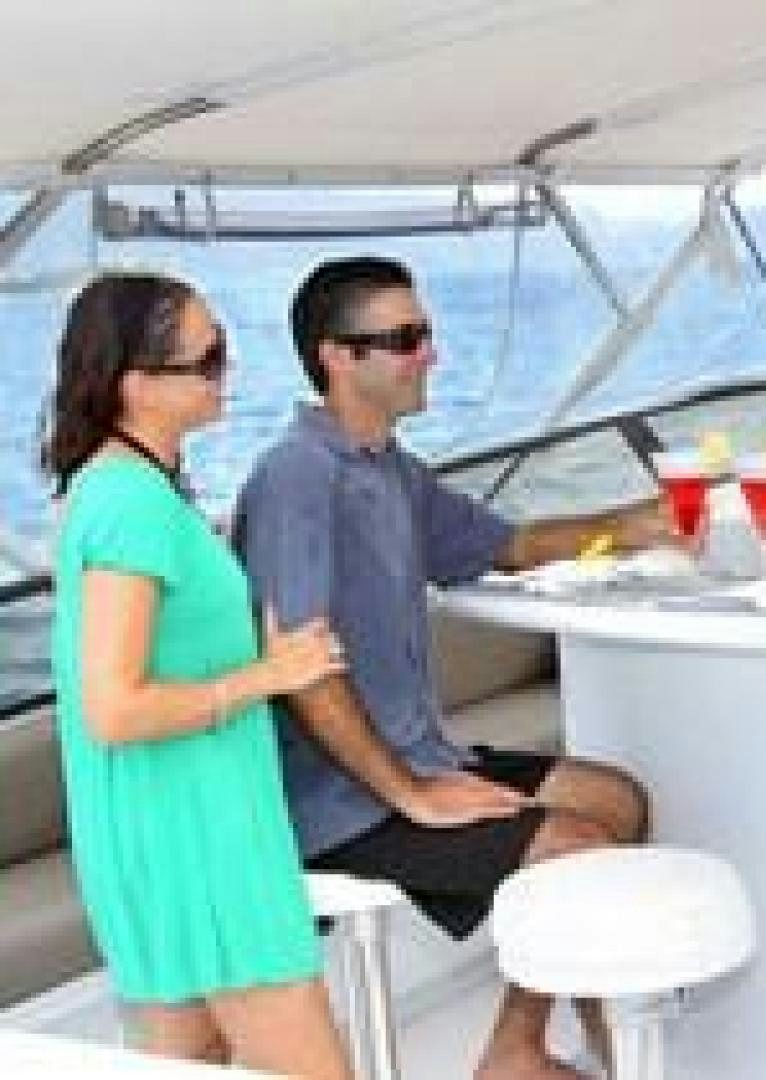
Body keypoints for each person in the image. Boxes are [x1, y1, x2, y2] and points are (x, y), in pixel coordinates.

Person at [233, 256, 666, 1080]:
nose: (430, 354)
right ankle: (528, 1058)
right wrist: (413, 795)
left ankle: (525, 1046)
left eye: (425, 334)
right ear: (337, 356)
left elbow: (504, 544)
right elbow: (301, 673)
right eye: (405, 338)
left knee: (616, 801)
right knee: (578, 846)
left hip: (421, 758)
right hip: (340, 803)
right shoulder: (298, 477)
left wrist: (635, 521)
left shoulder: (389, 468)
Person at [42, 273, 351, 1077]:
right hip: (196, 838)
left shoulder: (127, 490)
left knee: (192, 1061)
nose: (227, 372)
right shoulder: (128, 504)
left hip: (180, 824)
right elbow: (113, 707)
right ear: (136, 384)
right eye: (208, 358)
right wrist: (270, 675)